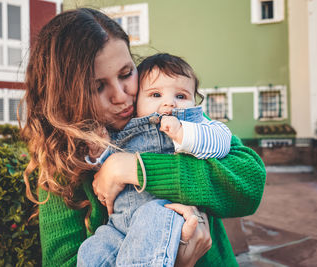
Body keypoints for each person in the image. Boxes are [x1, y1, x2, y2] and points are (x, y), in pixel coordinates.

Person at [21, 8, 266, 267]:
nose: (121, 95)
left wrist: (135, 169)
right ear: (66, 97)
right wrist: (178, 261)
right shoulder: (62, 161)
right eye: (97, 87)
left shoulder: (168, 107)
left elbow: (250, 183)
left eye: (126, 74)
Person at [78, 53, 232, 266]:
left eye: (181, 96)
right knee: (93, 251)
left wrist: (185, 135)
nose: (169, 103)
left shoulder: (195, 126)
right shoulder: (128, 128)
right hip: (120, 226)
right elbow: (109, 170)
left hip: (163, 217)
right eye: (156, 95)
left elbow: (223, 141)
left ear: (195, 101)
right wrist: (99, 152)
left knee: (148, 234)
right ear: (137, 100)